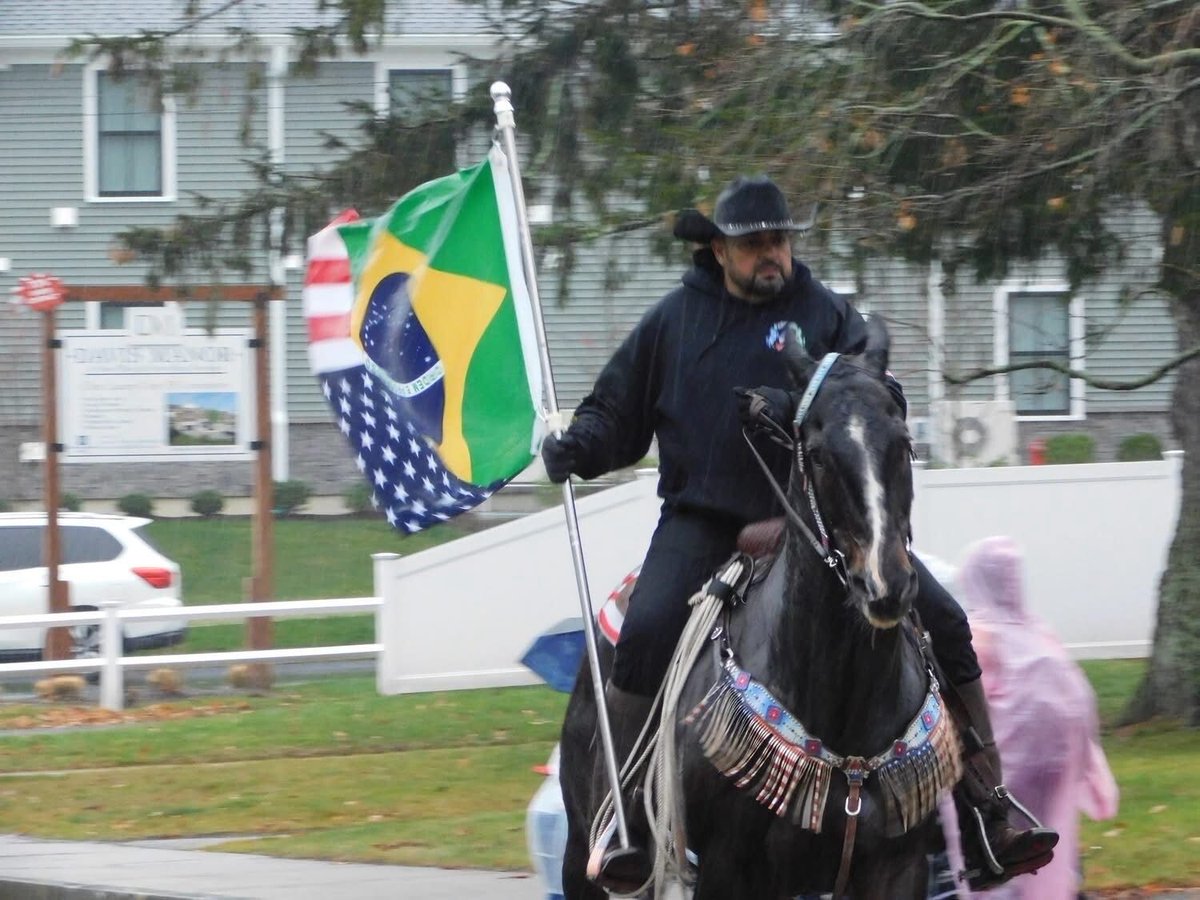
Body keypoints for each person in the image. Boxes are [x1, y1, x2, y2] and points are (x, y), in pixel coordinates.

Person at [540, 174, 1056, 892]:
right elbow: (615, 414)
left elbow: (876, 400)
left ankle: (990, 812)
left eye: (779, 240)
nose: (771, 254)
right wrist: (579, 446)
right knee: (649, 625)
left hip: (821, 522)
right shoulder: (673, 321)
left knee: (942, 617)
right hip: (706, 521)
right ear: (718, 250)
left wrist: (809, 405)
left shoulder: (826, 315)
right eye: (754, 244)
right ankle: (622, 815)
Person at [945, 536, 1119, 899]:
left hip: (1011, 764)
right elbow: (1078, 698)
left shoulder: (979, 636)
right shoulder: (1040, 632)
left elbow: (966, 702)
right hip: (1059, 761)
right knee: (1050, 838)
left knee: (999, 845)